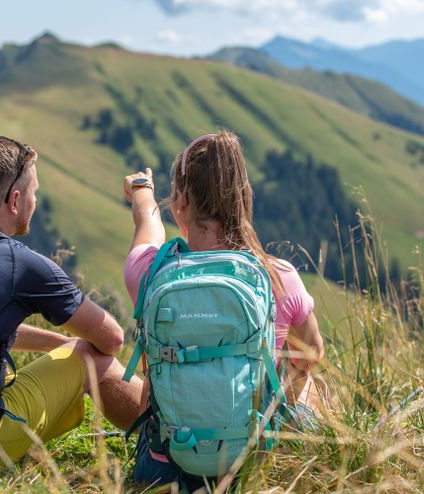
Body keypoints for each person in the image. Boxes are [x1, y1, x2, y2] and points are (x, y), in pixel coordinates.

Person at [121, 131, 326, 488]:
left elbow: (147, 223)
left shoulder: (148, 273)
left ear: (180, 200)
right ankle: (298, 462)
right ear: (244, 199)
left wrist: (142, 189)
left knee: (152, 373)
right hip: (253, 463)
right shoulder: (278, 277)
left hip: (163, 470)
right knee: (312, 379)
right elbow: (312, 354)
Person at [0, 136, 143, 462]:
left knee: (47, 362)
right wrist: (70, 348)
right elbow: (111, 339)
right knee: (88, 357)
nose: (35, 201)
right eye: (34, 192)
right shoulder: (19, 263)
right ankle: (167, 440)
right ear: (15, 200)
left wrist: (54, 344)